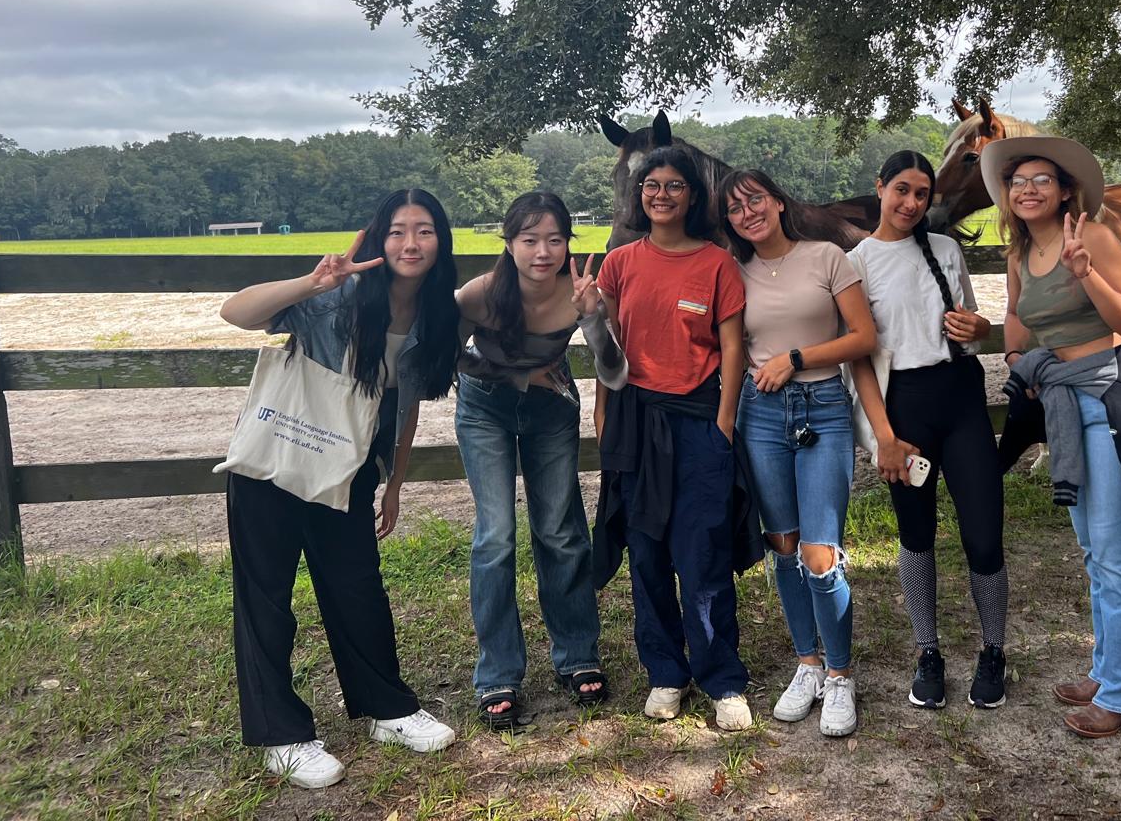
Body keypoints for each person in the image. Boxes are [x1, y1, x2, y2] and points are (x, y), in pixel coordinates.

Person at [218, 188, 461, 789]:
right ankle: (281, 734)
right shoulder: (338, 297)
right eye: (398, 230)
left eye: (425, 230)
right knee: (266, 594)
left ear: (441, 241)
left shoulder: (436, 317)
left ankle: (385, 707)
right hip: (275, 462)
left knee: (357, 588)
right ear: (379, 238)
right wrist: (310, 284)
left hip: (349, 468)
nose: (411, 243)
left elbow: (405, 407)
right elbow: (236, 312)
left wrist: (395, 482)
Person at [981, 135, 1121, 739]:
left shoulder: (1092, 238)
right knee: (1093, 550)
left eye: (1041, 180)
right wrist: (1020, 359)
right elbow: (1018, 320)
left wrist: (1085, 273)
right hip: (1065, 399)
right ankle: (1106, 667)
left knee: (1113, 550)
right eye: (1018, 182)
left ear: (1066, 190)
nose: (1028, 190)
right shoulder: (1018, 255)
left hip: (1112, 394)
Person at [593, 146, 755, 731]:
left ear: (693, 195)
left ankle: (722, 678)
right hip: (636, 421)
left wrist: (725, 421)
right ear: (640, 196)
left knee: (703, 550)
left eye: (673, 186)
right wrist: (603, 410)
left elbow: (732, 347)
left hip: (699, 420)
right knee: (647, 552)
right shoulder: (620, 263)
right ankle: (666, 672)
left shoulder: (717, 263)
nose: (661, 194)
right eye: (651, 185)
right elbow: (607, 349)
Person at [453, 191, 628, 729]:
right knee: (495, 537)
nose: (543, 252)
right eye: (529, 240)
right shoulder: (480, 294)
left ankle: (577, 656)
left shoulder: (577, 294)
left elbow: (616, 372)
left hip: (551, 409)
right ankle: (498, 672)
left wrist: (592, 318)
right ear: (509, 244)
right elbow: (442, 359)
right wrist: (514, 376)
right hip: (485, 411)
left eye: (555, 239)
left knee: (560, 531)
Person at [849, 150, 1008, 711]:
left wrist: (981, 327)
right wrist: (883, 434)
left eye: (921, 193)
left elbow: (972, 329)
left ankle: (994, 651)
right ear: (880, 187)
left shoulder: (945, 249)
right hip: (904, 405)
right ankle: (928, 651)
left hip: (960, 395)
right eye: (902, 190)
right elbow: (859, 359)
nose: (912, 203)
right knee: (916, 534)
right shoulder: (858, 262)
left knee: (983, 534)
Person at [721, 168, 878, 737]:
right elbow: (733, 352)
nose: (748, 213)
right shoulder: (733, 272)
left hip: (822, 410)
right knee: (782, 546)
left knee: (819, 551)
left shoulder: (828, 257)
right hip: (760, 416)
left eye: (755, 199)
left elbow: (863, 337)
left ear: (778, 201)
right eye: (735, 208)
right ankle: (806, 663)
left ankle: (840, 674)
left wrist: (795, 356)